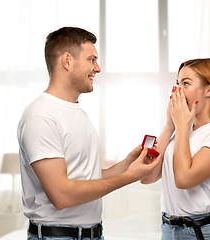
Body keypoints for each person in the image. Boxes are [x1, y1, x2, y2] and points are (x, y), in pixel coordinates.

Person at [17, 26, 159, 240]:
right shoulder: (41, 117)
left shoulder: (76, 112)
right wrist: (129, 177)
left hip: (90, 235)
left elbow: (84, 179)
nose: (98, 68)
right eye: (91, 60)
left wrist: (126, 165)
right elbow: (62, 195)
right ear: (67, 61)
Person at [141, 58, 210, 240]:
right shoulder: (181, 131)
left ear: (209, 89)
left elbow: (184, 179)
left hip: (202, 232)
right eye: (177, 83)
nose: (177, 90)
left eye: (186, 83)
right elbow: (147, 177)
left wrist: (180, 126)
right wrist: (169, 127)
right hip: (169, 229)